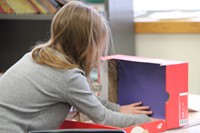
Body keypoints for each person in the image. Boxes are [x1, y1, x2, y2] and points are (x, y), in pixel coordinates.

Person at [0, 1, 152, 133]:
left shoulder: (38, 56)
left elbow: (88, 98)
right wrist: (147, 120)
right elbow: (103, 117)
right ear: (86, 46)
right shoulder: (67, 76)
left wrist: (118, 109)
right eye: (99, 47)